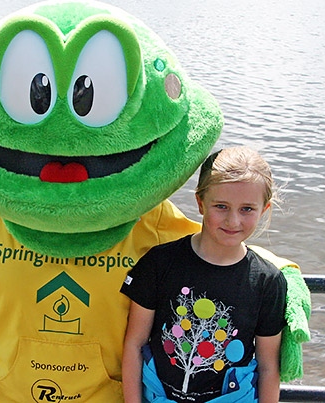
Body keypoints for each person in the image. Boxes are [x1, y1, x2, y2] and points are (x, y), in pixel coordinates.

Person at [121, 146, 287, 403]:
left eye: (247, 209)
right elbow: (134, 343)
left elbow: (267, 367)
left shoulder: (268, 282)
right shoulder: (159, 262)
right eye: (221, 206)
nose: (233, 221)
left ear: (264, 209)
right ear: (200, 202)